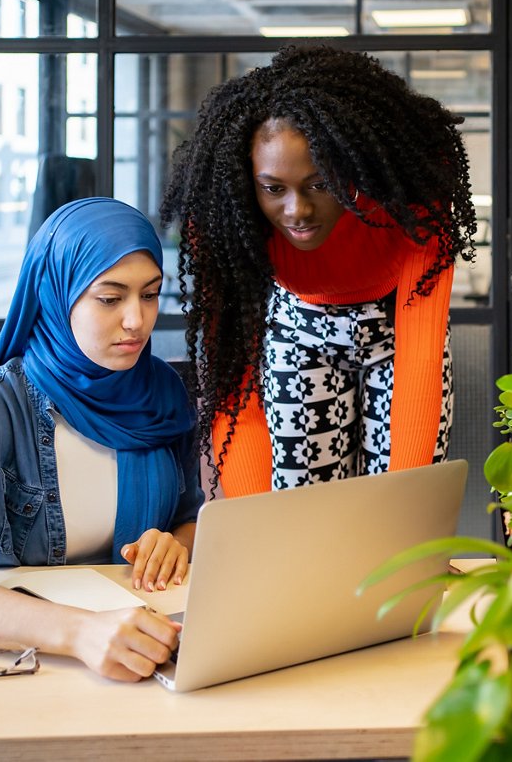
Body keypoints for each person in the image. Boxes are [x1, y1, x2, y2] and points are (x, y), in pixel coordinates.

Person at [0, 198, 202, 682]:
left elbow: (190, 516)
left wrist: (176, 542)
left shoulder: (163, 394)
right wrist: (81, 633)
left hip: (148, 651)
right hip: (33, 660)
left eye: (149, 294)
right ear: (57, 294)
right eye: (110, 297)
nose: (137, 321)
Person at [160, 45, 476, 496]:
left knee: (396, 510)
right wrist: (257, 528)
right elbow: (236, 390)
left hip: (396, 335)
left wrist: (402, 523)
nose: (298, 211)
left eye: (321, 184)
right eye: (273, 188)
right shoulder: (220, 212)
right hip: (298, 330)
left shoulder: (412, 193)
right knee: (302, 509)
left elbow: (420, 355)